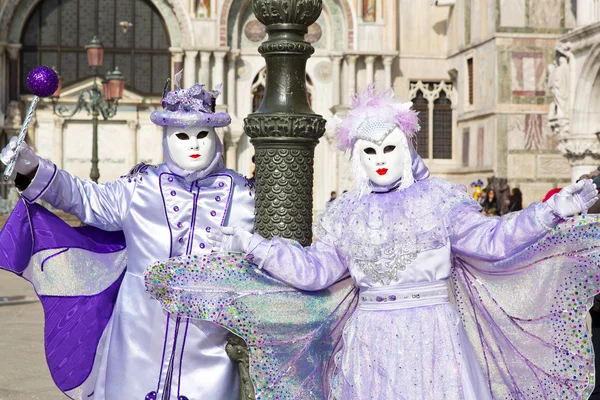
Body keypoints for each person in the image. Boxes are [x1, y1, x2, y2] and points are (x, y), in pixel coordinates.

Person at [146, 84, 600, 399]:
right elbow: (315, 271)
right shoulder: (346, 213)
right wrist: (253, 245)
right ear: (356, 159)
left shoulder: (440, 201)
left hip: (434, 337)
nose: (380, 160)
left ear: (406, 148)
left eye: (389, 148)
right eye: (369, 150)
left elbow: (494, 241)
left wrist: (553, 208)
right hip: (370, 341)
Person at [0, 80, 255, 399]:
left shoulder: (245, 195)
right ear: (166, 137)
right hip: (136, 339)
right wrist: (33, 168)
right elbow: (85, 198)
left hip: (209, 347)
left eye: (203, 134)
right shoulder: (140, 187)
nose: (194, 144)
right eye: (182, 135)